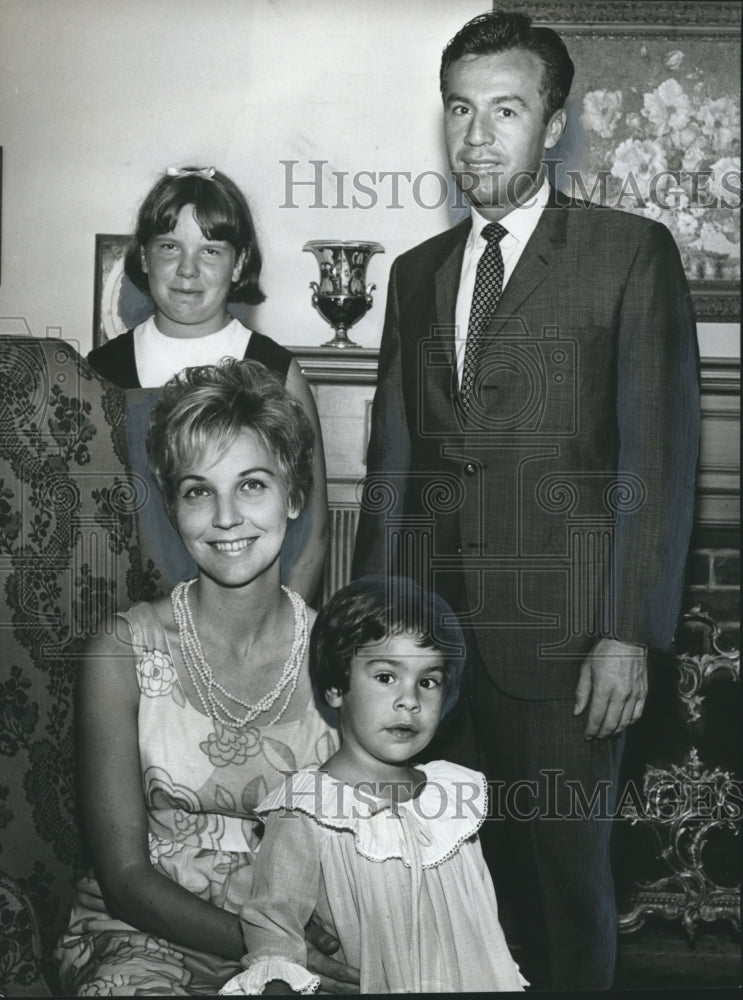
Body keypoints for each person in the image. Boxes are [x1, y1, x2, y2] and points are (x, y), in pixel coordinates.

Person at [351, 10, 700, 991]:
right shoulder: (416, 274)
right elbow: (394, 469)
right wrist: (373, 628)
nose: (476, 136)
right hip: (430, 648)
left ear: (551, 122)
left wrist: (626, 631)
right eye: (459, 110)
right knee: (443, 885)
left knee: (563, 889)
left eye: (503, 110)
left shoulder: (626, 254)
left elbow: (657, 458)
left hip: (567, 645)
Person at [54, 360, 358, 996]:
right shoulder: (121, 652)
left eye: (251, 485)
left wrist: (304, 948)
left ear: (294, 495)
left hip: (307, 942)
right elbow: (125, 876)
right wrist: (267, 943)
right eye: (198, 490)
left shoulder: (346, 658)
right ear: (173, 505)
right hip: (141, 936)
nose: (225, 517)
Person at [219, 576, 526, 995]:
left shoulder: (453, 797)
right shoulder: (307, 806)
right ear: (335, 687)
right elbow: (274, 931)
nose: (409, 700)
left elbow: (478, 922)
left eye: (428, 681)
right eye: (385, 677)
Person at [87, 165, 328, 602]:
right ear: (143, 257)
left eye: (211, 251)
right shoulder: (102, 372)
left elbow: (312, 533)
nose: (187, 270)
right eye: (169, 247)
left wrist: (279, 643)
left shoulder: (275, 370)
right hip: (133, 619)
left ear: (239, 263)